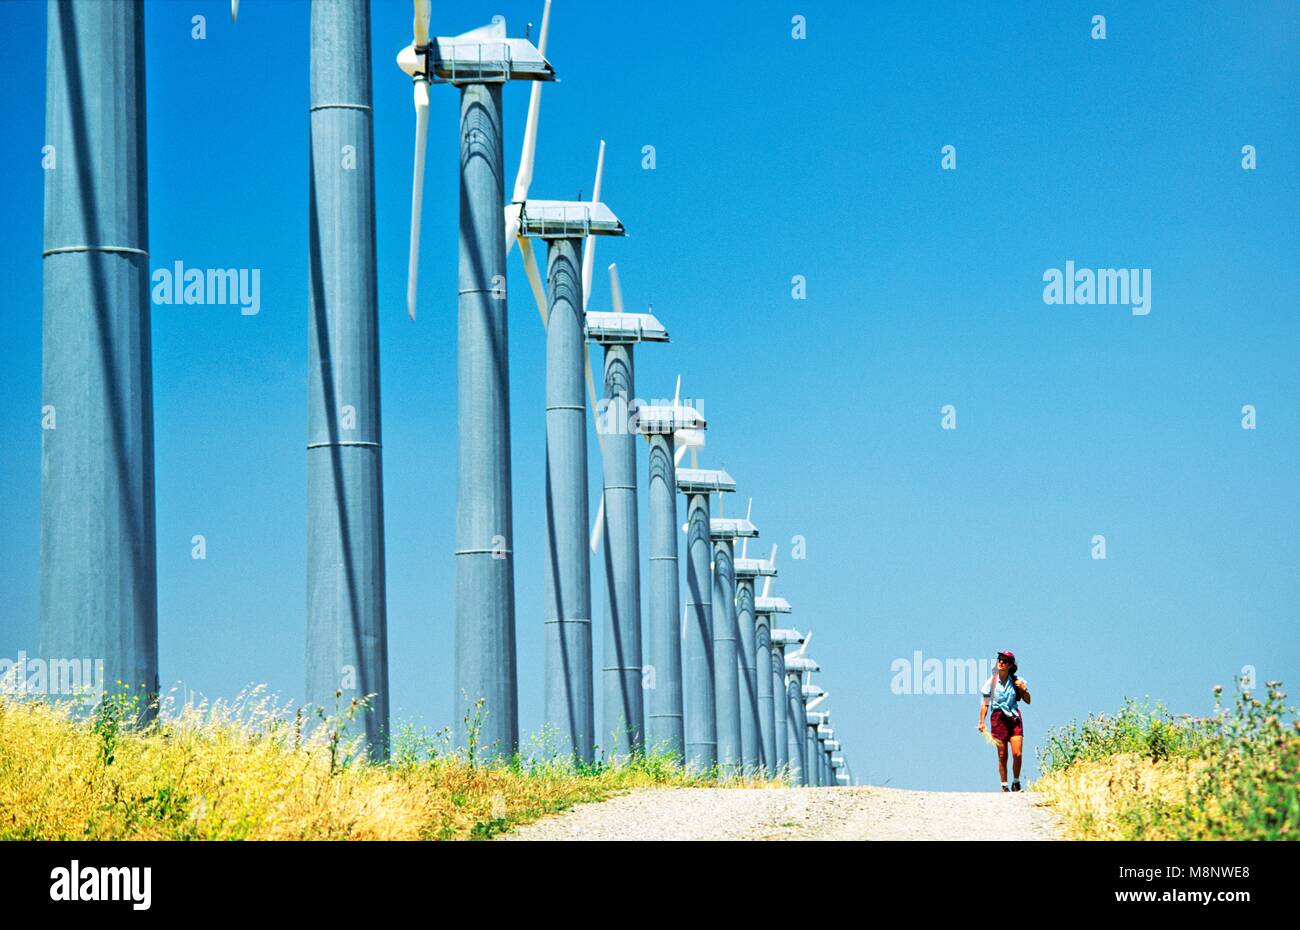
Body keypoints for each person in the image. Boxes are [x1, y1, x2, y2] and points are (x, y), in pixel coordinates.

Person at [977, 650, 1031, 792]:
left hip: (1013, 717)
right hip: (998, 718)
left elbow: (1028, 701)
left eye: (1005, 661)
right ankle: (1004, 785)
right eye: (999, 659)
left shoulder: (1017, 681)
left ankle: (1016, 782)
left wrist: (1023, 690)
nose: (1001, 662)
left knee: (1017, 753)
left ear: (1010, 665)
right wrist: (981, 721)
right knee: (1002, 754)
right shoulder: (991, 682)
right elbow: (985, 704)